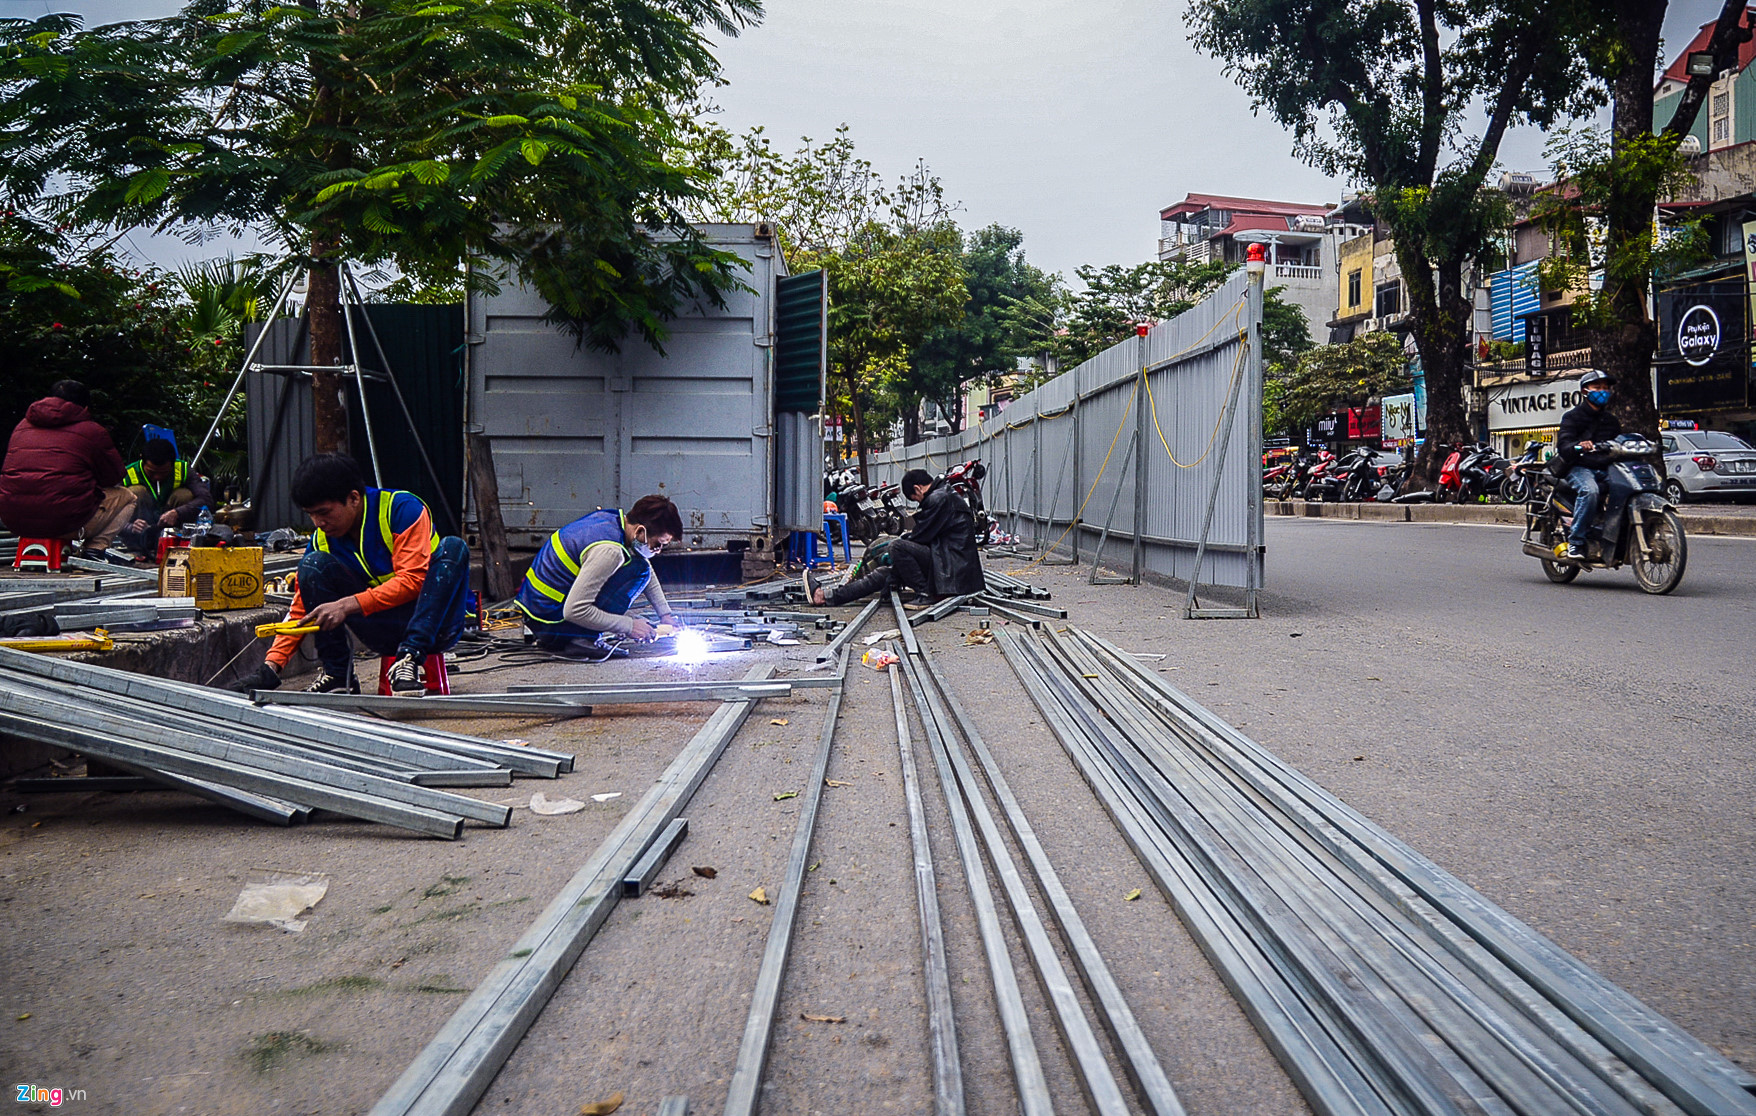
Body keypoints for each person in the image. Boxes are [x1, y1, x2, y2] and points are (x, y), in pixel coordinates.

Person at [236, 454, 470, 695]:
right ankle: (338, 675)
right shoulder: (322, 541)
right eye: (311, 514)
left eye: (324, 512)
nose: (318, 522)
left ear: (354, 498)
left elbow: (412, 581)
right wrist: (272, 666)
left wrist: (345, 605)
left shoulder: (402, 510)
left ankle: (408, 660)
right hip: (382, 631)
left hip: (436, 628)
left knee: (454, 547)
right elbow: (301, 608)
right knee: (312, 566)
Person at [514, 496, 684, 661]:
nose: (659, 550)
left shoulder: (612, 520)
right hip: (552, 623)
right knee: (638, 571)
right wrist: (629, 626)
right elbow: (574, 611)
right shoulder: (609, 551)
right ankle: (583, 639)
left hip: (538, 615)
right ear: (640, 530)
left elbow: (645, 564)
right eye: (657, 544)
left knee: (640, 566)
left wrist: (665, 614)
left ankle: (573, 636)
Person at [806, 468, 984, 606]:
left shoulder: (939, 499)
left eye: (916, 499)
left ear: (918, 488)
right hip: (947, 565)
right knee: (883, 574)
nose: (919, 503)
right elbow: (923, 536)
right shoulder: (944, 494)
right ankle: (825, 596)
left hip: (950, 569)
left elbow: (920, 537)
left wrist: (896, 547)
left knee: (896, 547)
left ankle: (926, 593)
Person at [0, 380, 138, 557]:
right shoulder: (92, 430)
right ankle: (94, 549)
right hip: (63, 523)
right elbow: (113, 478)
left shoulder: (22, 427)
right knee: (128, 496)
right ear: (85, 407)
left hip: (15, 522)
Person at [1555, 369, 1636, 561]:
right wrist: (1578, 446)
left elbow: (1619, 442)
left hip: (1606, 467)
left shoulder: (1611, 421)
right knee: (1590, 491)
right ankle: (1576, 543)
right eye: (1597, 387)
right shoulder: (1572, 417)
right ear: (1585, 391)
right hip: (1579, 467)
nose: (1603, 391)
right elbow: (1564, 446)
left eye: (1606, 388)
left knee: (1630, 487)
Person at [117, 437, 212, 554]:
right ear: (142, 460)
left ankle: (178, 544)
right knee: (136, 492)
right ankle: (140, 548)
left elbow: (206, 499)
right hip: (137, 536)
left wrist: (177, 512)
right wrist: (130, 527)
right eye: (151, 472)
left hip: (171, 531)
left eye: (163, 473)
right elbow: (109, 513)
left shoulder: (184, 470)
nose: (157, 477)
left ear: (172, 464)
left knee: (184, 495)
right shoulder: (127, 473)